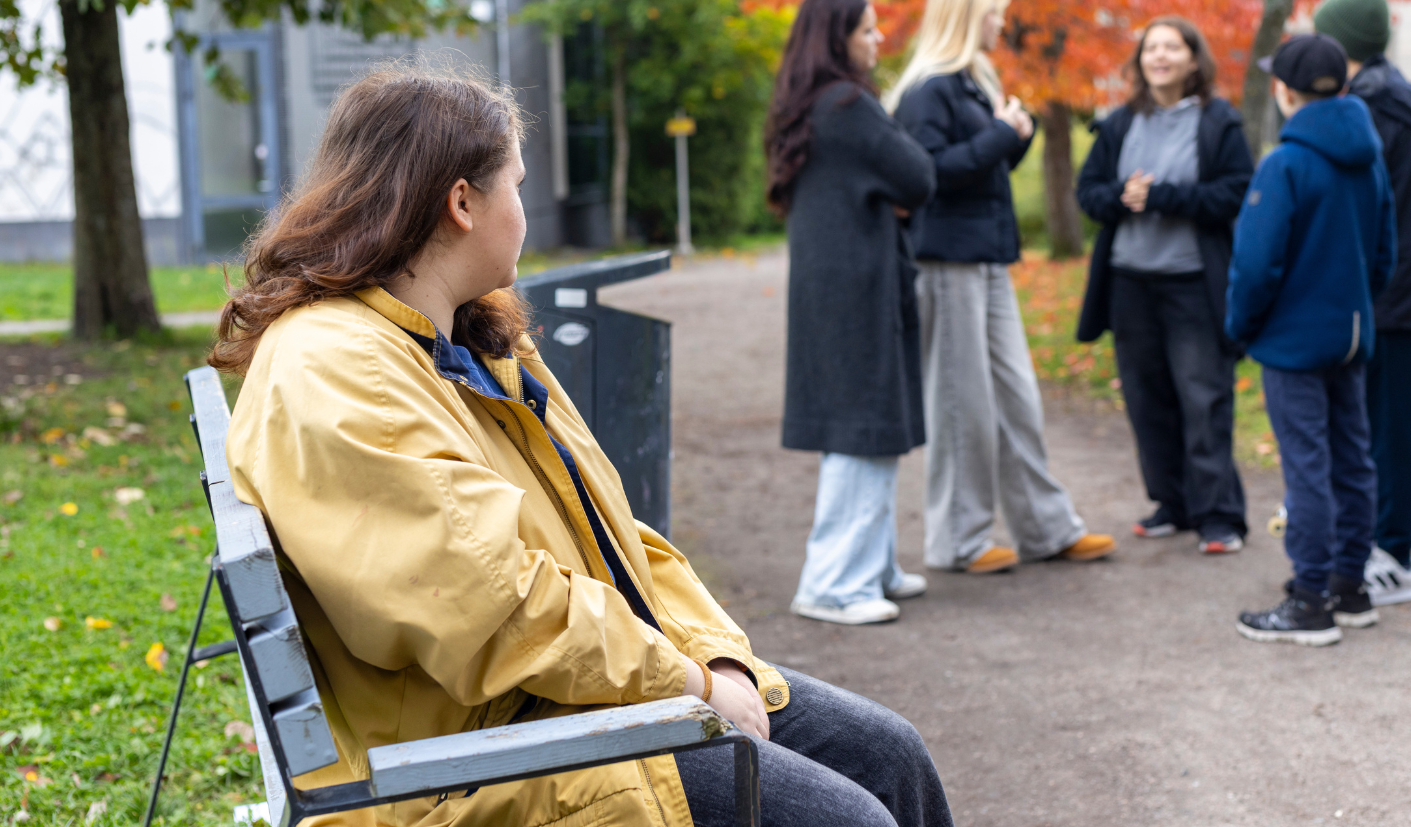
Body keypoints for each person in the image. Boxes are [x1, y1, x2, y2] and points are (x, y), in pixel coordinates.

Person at [210, 66, 954, 827]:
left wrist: (715, 654)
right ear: (461, 203)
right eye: (518, 186)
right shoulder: (341, 368)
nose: (525, 211)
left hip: (571, 700)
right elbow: (495, 612)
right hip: (486, 758)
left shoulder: (470, 341)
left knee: (889, 753)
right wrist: (692, 685)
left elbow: (613, 540)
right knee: (850, 820)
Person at [890, 0, 1115, 574]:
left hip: (986, 257)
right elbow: (928, 172)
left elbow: (984, 165)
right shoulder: (929, 90)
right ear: (968, 15)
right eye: (994, 12)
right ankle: (959, 539)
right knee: (963, 402)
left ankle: (1046, 527)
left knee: (1017, 397)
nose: (1003, 21)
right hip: (946, 261)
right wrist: (998, 133)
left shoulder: (971, 83)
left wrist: (1014, 131)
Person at [770, 0, 938, 626]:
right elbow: (918, 175)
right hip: (857, 286)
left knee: (865, 424)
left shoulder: (808, 104)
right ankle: (834, 582)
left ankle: (874, 565)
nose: (878, 40)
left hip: (832, 282)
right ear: (838, 37)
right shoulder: (847, 103)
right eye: (868, 30)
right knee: (862, 428)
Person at [1225, 35, 1396, 646]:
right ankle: (1352, 587)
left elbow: (1256, 263)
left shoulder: (1286, 163)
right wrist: (1356, 307)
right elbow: (1385, 253)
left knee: (1307, 466)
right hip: (1352, 336)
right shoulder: (1368, 156)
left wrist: (1240, 327)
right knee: (1353, 457)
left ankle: (1310, 599)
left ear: (1285, 90)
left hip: (1293, 343)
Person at [1074, 16, 1255, 555]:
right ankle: (1172, 504)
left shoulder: (1218, 122)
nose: (1160, 56)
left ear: (1193, 59)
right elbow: (1089, 193)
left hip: (1193, 284)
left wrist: (1166, 197)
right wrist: (1120, 197)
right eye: (1151, 47)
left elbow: (1236, 192)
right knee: (1146, 399)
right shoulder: (1118, 123)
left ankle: (1220, 515)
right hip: (1131, 284)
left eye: (1172, 47)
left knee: (1203, 398)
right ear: (1140, 61)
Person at [1314, 0, 1411, 607]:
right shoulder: (1384, 95)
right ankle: (1379, 544)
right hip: (1398, 286)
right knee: (1380, 423)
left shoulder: (1369, 105)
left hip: (1396, 289)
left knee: (1391, 428)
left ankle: (1395, 557)